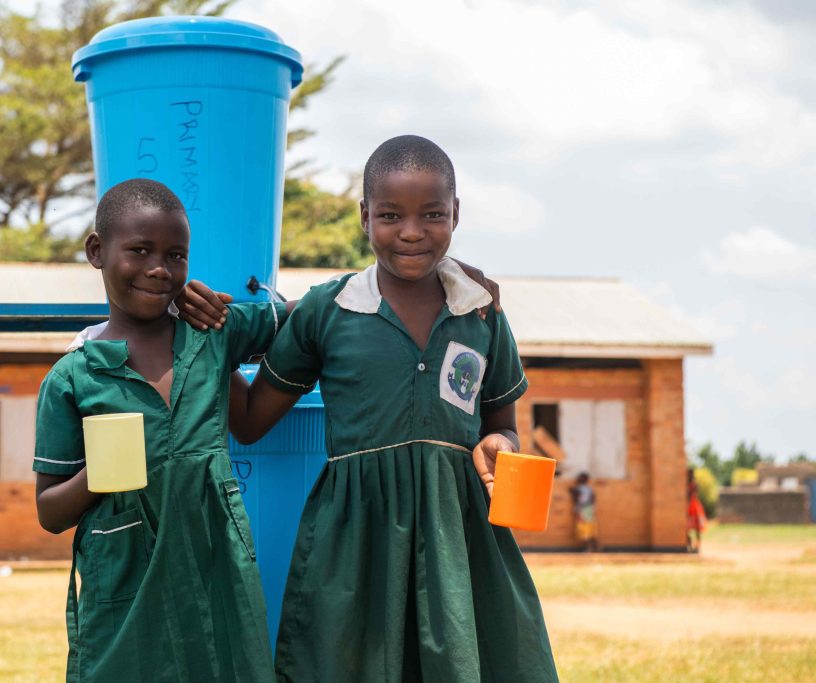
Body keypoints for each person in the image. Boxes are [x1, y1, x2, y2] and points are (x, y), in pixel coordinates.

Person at [225, 135, 558, 682]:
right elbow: (251, 419)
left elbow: (502, 427)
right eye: (390, 215)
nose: (410, 231)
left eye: (432, 214)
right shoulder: (326, 312)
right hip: (356, 544)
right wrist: (206, 345)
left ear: (456, 215)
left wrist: (502, 446)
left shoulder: (481, 315)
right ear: (364, 216)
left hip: (460, 538)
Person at [32, 178, 291, 682]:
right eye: (140, 250)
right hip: (126, 586)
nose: (159, 269)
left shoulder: (212, 335)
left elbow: (313, 320)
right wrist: (99, 474)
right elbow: (48, 512)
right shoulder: (73, 378)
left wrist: (439, 276)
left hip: (217, 572)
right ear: (96, 251)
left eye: (176, 256)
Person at [570, 471, 599, 552]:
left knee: (585, 529)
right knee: (590, 529)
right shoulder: (588, 489)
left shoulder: (580, 488)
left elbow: (578, 497)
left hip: (584, 509)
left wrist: (572, 491)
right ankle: (595, 547)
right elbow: (593, 498)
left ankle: (589, 548)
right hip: (588, 509)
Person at [687, 468, 707, 553]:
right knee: (686, 529)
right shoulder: (689, 485)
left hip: (694, 507)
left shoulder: (694, 485)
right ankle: (691, 545)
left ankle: (697, 547)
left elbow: (692, 494)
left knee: (697, 529)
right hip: (690, 507)